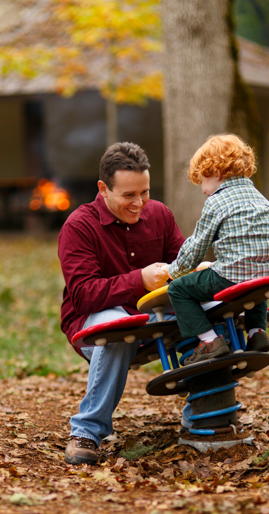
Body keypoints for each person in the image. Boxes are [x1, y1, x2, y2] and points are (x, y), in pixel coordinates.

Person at [59, 142, 184, 465]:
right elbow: (84, 295)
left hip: (154, 316)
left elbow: (182, 265)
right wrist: (139, 279)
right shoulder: (78, 226)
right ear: (103, 189)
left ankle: (207, 415)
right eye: (128, 195)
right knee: (119, 328)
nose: (139, 202)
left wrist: (196, 270)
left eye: (144, 192)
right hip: (92, 323)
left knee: (210, 310)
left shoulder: (160, 215)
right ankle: (86, 431)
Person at [163, 133, 269, 365]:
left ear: (217, 173)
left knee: (179, 290)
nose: (202, 189)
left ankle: (209, 342)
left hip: (232, 276)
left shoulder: (217, 202)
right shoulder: (261, 198)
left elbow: (197, 246)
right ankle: (257, 334)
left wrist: (174, 272)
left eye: (203, 180)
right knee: (256, 281)